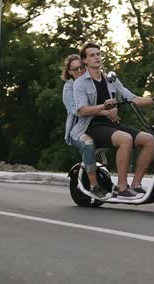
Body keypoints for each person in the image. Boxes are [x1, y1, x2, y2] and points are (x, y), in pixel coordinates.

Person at [71, 42, 154, 200]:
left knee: (150, 140)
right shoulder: (80, 83)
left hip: (111, 126)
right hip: (92, 126)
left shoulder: (110, 79)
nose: (97, 57)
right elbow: (82, 110)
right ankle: (121, 188)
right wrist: (103, 107)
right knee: (126, 139)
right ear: (85, 61)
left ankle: (136, 185)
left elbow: (133, 98)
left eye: (98, 54)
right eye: (92, 55)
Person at [62, 54, 112, 200]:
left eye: (81, 67)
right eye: (75, 69)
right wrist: (104, 111)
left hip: (97, 125)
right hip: (78, 129)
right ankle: (94, 186)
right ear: (69, 72)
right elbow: (76, 110)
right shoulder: (69, 87)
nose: (79, 71)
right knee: (88, 144)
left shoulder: (93, 83)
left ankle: (122, 186)